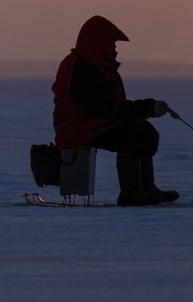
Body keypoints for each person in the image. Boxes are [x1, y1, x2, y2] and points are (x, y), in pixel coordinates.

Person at [52, 15, 179, 206]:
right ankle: (130, 193)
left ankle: (146, 188)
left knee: (146, 132)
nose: (114, 48)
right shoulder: (81, 68)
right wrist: (148, 107)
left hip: (94, 123)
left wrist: (148, 108)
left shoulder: (95, 64)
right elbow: (107, 108)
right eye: (111, 43)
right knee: (133, 135)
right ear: (99, 42)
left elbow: (112, 107)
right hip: (79, 129)